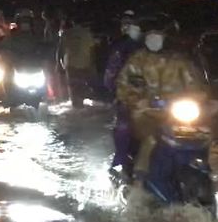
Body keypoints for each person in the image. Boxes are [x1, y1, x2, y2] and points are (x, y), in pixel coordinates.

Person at [116, 20, 205, 178]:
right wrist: (137, 100)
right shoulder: (137, 60)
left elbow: (195, 86)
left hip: (176, 115)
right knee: (149, 139)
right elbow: (123, 86)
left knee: (198, 136)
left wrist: (201, 99)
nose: (154, 39)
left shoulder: (180, 61)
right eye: (150, 36)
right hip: (146, 114)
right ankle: (139, 181)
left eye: (158, 35)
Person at [103, 11, 143, 176]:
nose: (127, 27)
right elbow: (111, 75)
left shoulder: (149, 48)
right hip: (128, 99)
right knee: (124, 128)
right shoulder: (120, 48)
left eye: (130, 23)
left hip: (156, 100)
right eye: (125, 23)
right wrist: (118, 93)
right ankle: (121, 163)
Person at [58, 15, 97, 106]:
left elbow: (60, 51)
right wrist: (92, 64)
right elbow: (92, 50)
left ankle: (75, 104)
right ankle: (81, 104)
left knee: (73, 87)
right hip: (84, 64)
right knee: (82, 86)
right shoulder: (87, 33)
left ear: (72, 22)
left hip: (71, 65)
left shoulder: (66, 33)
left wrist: (59, 64)